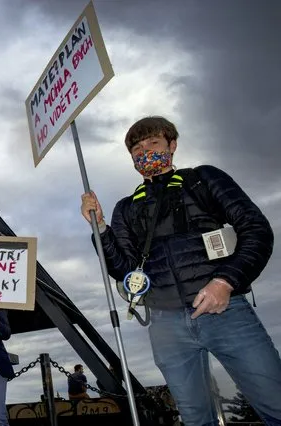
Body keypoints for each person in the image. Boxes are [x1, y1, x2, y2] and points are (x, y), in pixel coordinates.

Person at [80, 116, 281, 425]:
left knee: (274, 403)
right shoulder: (127, 207)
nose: (144, 151)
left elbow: (256, 229)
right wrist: (101, 227)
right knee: (195, 419)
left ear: (172, 146)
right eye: (137, 147)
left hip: (225, 311)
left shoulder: (202, 179)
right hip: (165, 325)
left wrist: (226, 281)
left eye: (153, 143)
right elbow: (123, 270)